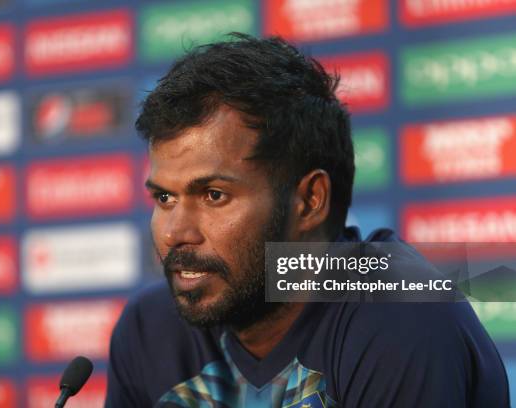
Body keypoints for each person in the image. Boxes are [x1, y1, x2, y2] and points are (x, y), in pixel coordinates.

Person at [105, 33, 510, 407]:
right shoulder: (149, 331)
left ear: (310, 200)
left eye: (213, 195)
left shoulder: (402, 318)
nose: (176, 231)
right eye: (164, 197)